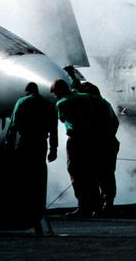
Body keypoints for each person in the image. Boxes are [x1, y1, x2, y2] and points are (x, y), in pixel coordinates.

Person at [5, 81, 58, 232]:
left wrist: (9, 145)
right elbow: (53, 129)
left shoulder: (22, 101)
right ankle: (37, 207)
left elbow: (13, 125)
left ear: (27, 91)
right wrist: (54, 149)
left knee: (22, 173)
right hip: (41, 142)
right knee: (38, 174)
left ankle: (22, 206)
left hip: (25, 141)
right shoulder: (48, 105)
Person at [51, 78, 100, 216]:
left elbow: (62, 119)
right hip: (91, 138)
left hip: (76, 140)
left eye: (54, 93)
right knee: (90, 171)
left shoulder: (61, 103)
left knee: (75, 172)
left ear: (58, 92)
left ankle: (83, 206)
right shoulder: (86, 97)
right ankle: (96, 205)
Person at [81, 82, 121, 213]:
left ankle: (96, 204)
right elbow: (115, 122)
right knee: (107, 174)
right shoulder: (105, 104)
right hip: (109, 142)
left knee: (95, 175)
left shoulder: (90, 105)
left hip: (97, 143)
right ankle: (107, 203)